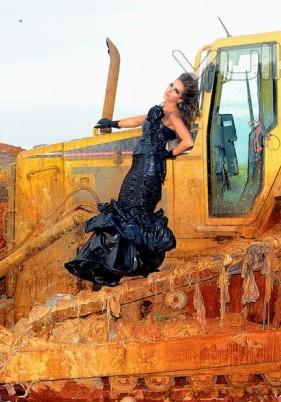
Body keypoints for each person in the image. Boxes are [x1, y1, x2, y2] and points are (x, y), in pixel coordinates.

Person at [64, 73, 200, 286]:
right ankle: (118, 265)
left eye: (176, 90)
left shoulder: (173, 116)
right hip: (139, 168)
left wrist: (166, 154)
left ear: (180, 99)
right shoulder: (158, 111)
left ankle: (120, 267)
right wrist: (113, 123)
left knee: (131, 214)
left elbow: (188, 141)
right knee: (126, 213)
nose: (169, 90)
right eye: (171, 85)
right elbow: (137, 120)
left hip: (149, 172)